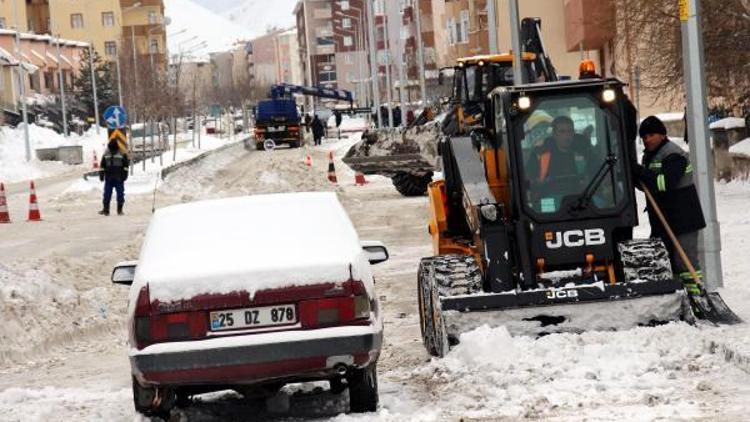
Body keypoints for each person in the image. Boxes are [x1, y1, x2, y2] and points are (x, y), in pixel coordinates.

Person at [632, 116, 706, 295]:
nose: (647, 139)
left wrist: (641, 172)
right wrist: (636, 177)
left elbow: (664, 184)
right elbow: (649, 186)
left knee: (684, 261)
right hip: (663, 219)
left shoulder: (673, 154)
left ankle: (697, 298)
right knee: (666, 262)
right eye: (643, 136)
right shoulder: (651, 155)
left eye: (650, 135)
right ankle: (678, 296)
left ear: (662, 134)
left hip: (683, 218)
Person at [526, 116, 590, 183]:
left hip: (582, 192)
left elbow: (596, 174)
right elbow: (528, 180)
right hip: (547, 192)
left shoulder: (585, 152)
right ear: (554, 134)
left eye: (570, 131)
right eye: (562, 131)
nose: (567, 135)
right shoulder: (540, 154)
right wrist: (537, 182)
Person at [99, 141, 129, 216]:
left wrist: (125, 176)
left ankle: (119, 210)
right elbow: (102, 166)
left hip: (119, 179)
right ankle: (106, 210)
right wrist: (101, 175)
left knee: (120, 194)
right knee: (107, 194)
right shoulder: (106, 154)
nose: (111, 151)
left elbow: (126, 166)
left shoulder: (122, 154)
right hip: (109, 179)